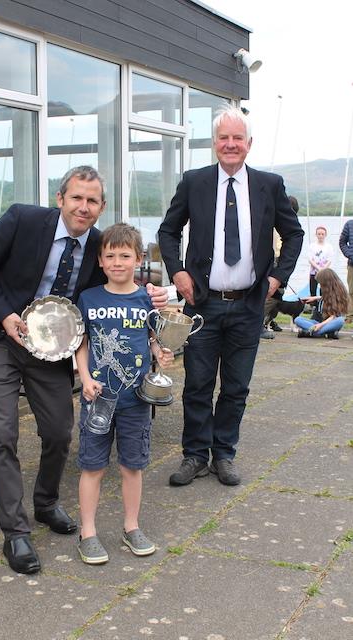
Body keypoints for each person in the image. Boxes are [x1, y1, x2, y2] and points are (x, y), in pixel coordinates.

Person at [0, 166, 167, 574]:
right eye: (76, 198)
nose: (83, 207)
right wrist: (4, 315)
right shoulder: (22, 219)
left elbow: (122, 279)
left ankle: (46, 501)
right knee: (1, 433)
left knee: (58, 431)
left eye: (92, 201)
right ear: (60, 198)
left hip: (51, 350)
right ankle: (16, 532)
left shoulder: (101, 246)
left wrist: (152, 291)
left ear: (101, 207)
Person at [158, 105, 304, 488]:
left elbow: (295, 235)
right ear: (214, 143)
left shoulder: (269, 185)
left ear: (249, 144)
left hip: (248, 305)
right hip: (203, 304)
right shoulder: (195, 182)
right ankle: (195, 455)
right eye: (224, 138)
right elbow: (168, 231)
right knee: (197, 385)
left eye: (237, 138)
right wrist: (177, 271)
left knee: (236, 387)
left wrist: (276, 278)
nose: (230, 144)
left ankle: (224, 455)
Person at [75, 223, 173, 564]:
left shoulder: (147, 298)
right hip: (96, 399)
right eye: (110, 255)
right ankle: (87, 532)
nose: (118, 262)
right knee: (93, 466)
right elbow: (81, 344)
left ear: (139, 259)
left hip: (136, 400)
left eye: (125, 255)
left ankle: (131, 526)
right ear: (100, 261)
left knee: (133, 466)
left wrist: (162, 352)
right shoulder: (88, 298)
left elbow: (154, 338)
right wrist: (84, 378)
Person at [260, 195, 300, 339]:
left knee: (277, 295)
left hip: (279, 261)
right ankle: (260, 324)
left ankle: (267, 322)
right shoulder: (274, 221)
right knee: (272, 295)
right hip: (273, 261)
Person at [295, 267, 348, 338]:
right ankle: (325, 332)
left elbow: (334, 316)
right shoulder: (326, 292)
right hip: (318, 322)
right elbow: (326, 298)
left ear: (327, 283)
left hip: (330, 322)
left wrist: (320, 325)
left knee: (340, 320)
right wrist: (314, 298)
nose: (320, 286)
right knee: (297, 319)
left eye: (321, 284)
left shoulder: (340, 294)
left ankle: (312, 332)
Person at [308, 226, 333, 296]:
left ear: (325, 235)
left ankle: (323, 305)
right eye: (319, 234)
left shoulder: (329, 247)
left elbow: (330, 260)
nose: (320, 236)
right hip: (314, 272)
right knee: (313, 290)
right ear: (316, 235)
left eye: (322, 234)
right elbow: (310, 259)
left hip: (324, 272)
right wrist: (318, 268)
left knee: (324, 291)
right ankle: (313, 305)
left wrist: (323, 269)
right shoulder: (312, 246)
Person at [339, 218, 353, 322]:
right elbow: (342, 242)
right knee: (352, 291)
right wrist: (350, 255)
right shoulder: (349, 224)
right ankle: (349, 317)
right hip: (352, 264)